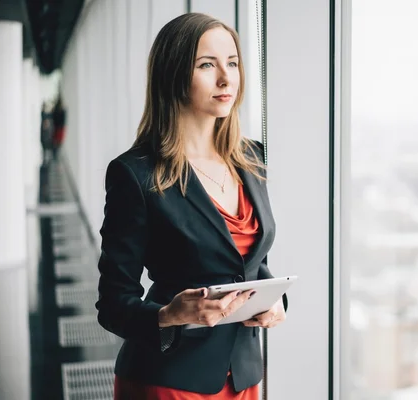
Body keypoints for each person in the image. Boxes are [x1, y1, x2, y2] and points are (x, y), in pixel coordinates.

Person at [95, 13, 287, 399]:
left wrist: (277, 302)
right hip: (170, 380)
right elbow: (113, 304)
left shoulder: (252, 157)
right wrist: (171, 315)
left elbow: (247, 260)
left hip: (243, 375)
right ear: (173, 75)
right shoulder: (136, 174)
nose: (225, 78)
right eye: (206, 65)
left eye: (232, 63)